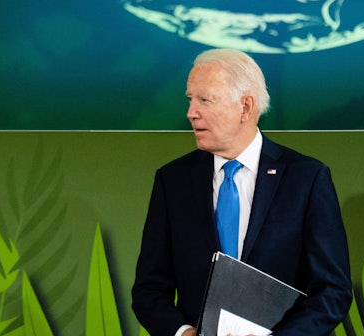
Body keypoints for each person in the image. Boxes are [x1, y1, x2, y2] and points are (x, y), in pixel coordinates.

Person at [131, 48, 352, 336]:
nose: (191, 113)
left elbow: (332, 291)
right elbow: (149, 290)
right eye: (190, 99)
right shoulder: (172, 181)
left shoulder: (306, 179)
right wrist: (185, 333)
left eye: (205, 100)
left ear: (246, 107)